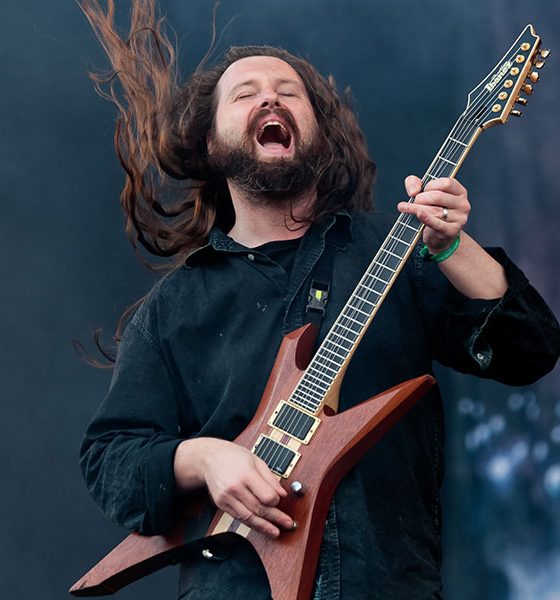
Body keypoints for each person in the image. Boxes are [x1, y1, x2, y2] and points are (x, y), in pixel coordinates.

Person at [78, 1, 560, 598]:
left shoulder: (396, 250)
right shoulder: (174, 308)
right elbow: (111, 460)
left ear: (319, 133)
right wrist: (206, 459)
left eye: (289, 91)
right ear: (211, 141)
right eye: (245, 93)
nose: (271, 99)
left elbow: (531, 351)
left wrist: (451, 246)